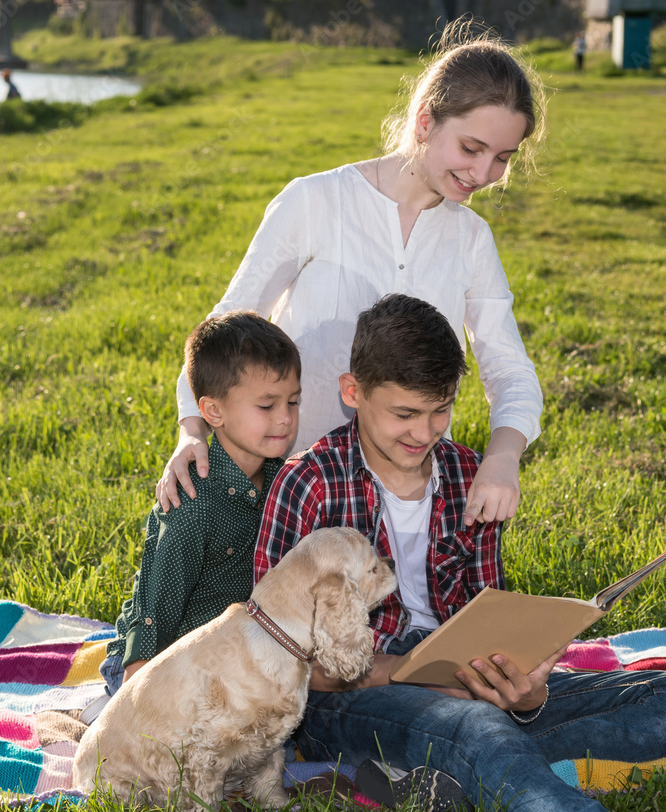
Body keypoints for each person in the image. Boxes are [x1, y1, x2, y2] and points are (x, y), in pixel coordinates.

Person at [254, 295, 666, 812]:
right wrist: (406, 677)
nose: (424, 433)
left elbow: (484, 614)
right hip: (349, 698)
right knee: (474, 728)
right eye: (405, 414)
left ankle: (434, 779)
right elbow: (277, 654)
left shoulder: (472, 476)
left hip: (467, 685)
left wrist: (527, 691)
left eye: (440, 411)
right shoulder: (308, 483)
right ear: (352, 391)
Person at [156, 23, 545, 531]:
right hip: (291, 491)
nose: (483, 173)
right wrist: (191, 433)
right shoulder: (315, 201)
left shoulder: (471, 238)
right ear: (425, 122)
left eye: (502, 159)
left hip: (407, 498)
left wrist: (503, 456)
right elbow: (224, 329)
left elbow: (510, 370)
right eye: (471, 148)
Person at [93, 312, 301, 709]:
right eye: (266, 405)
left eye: (293, 401)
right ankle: (109, 709)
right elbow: (157, 606)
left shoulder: (281, 477)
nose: (285, 418)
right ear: (213, 411)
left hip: (224, 659)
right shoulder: (193, 497)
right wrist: (137, 696)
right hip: (160, 661)